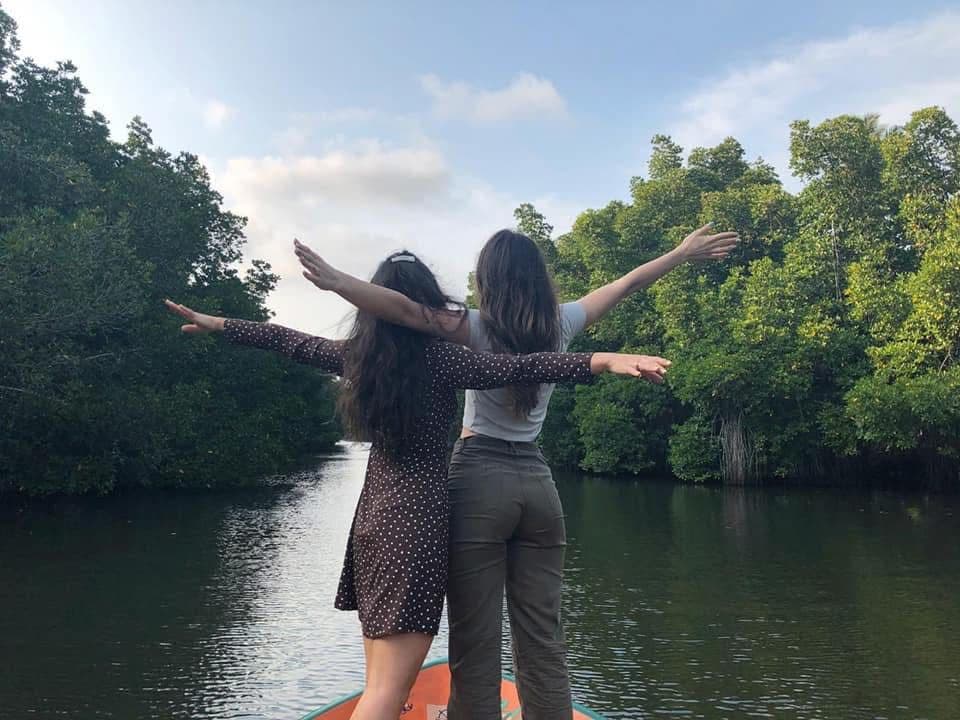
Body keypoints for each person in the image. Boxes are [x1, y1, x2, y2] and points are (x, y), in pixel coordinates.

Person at [164, 250, 671, 720]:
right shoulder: (444, 359)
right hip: (419, 524)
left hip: (372, 523)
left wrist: (222, 324)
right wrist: (599, 360)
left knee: (391, 679)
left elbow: (288, 340)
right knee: (391, 689)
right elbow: (524, 365)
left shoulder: (358, 358)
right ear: (426, 302)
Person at [293, 223, 737, 719]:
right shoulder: (563, 321)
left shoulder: (472, 326)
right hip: (538, 487)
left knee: (476, 638)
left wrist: (339, 281)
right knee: (543, 634)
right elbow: (627, 283)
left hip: (478, 482)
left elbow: (402, 310)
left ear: (487, 281)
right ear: (540, 279)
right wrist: (680, 252)